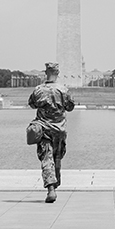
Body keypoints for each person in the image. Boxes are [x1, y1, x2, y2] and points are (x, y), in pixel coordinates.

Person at [28, 62, 76, 203]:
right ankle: (54, 186)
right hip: (59, 130)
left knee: (46, 159)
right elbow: (70, 107)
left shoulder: (38, 90)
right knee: (57, 158)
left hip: (43, 129)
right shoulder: (64, 90)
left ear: (46, 72)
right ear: (58, 73)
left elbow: (32, 104)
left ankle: (51, 189)